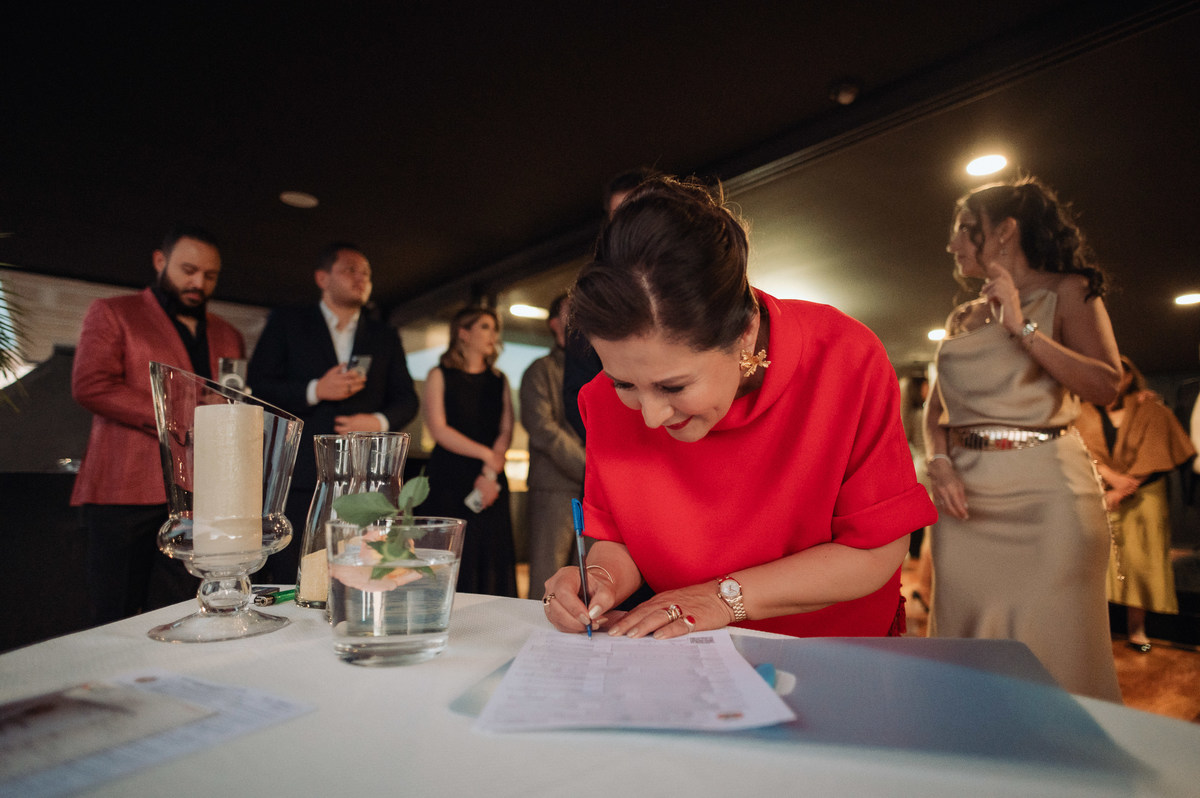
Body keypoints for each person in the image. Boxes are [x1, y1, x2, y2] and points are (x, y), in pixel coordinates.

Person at [542, 176, 936, 640]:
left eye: (673, 385)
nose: (650, 416)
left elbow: (875, 550)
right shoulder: (601, 399)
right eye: (624, 383)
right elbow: (619, 539)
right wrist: (600, 579)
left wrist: (721, 598)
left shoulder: (845, 358)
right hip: (697, 648)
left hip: (836, 648)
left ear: (745, 334)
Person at [923, 176, 1124, 701]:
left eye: (965, 229)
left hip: (1047, 498)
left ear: (1005, 231)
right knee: (967, 647)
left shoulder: (1068, 292)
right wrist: (939, 464)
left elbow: (1107, 385)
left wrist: (1021, 326)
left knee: (1052, 649)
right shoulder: (962, 316)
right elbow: (936, 412)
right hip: (965, 505)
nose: (952, 244)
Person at [71, 223, 246, 624]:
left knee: (186, 611)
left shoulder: (229, 333)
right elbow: (90, 385)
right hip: (124, 488)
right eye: (188, 270)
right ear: (159, 261)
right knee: (114, 614)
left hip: (202, 494)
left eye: (210, 275)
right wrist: (183, 412)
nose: (198, 283)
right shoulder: (114, 312)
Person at [247, 242, 419, 582]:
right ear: (322, 278)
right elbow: (258, 386)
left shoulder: (384, 335)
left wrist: (377, 421)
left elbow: (407, 400)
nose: (361, 278)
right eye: (350, 270)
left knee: (364, 565)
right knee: (294, 566)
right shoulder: (288, 322)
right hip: (301, 471)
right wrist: (315, 390)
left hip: (367, 472)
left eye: (366, 273)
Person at [1076, 356, 1195, 652]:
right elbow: (1077, 448)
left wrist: (1126, 486)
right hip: (1097, 492)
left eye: (1120, 373)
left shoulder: (1149, 407)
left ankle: (1137, 629)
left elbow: (1157, 447)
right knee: (1097, 562)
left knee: (1141, 561)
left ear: (1130, 377)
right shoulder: (1080, 412)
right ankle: (1097, 631)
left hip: (1144, 494)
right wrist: (1109, 478)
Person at [418, 306, 518, 597]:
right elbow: (438, 429)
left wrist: (490, 472)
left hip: (490, 478)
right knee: (450, 553)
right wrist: (487, 456)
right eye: (485, 327)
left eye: (494, 328)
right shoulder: (440, 374)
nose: (493, 335)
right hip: (449, 477)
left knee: (490, 553)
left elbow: (506, 429)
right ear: (463, 333)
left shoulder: (499, 379)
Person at [563, 166, 661, 441]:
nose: (628, 225)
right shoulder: (593, 296)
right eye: (619, 216)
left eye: (636, 212)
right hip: (629, 443)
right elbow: (578, 393)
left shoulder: (697, 277)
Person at [519, 293, 585, 599]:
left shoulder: (599, 368)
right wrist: (588, 466)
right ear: (554, 323)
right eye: (571, 311)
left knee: (589, 575)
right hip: (554, 485)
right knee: (548, 577)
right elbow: (542, 429)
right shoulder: (540, 369)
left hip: (594, 489)